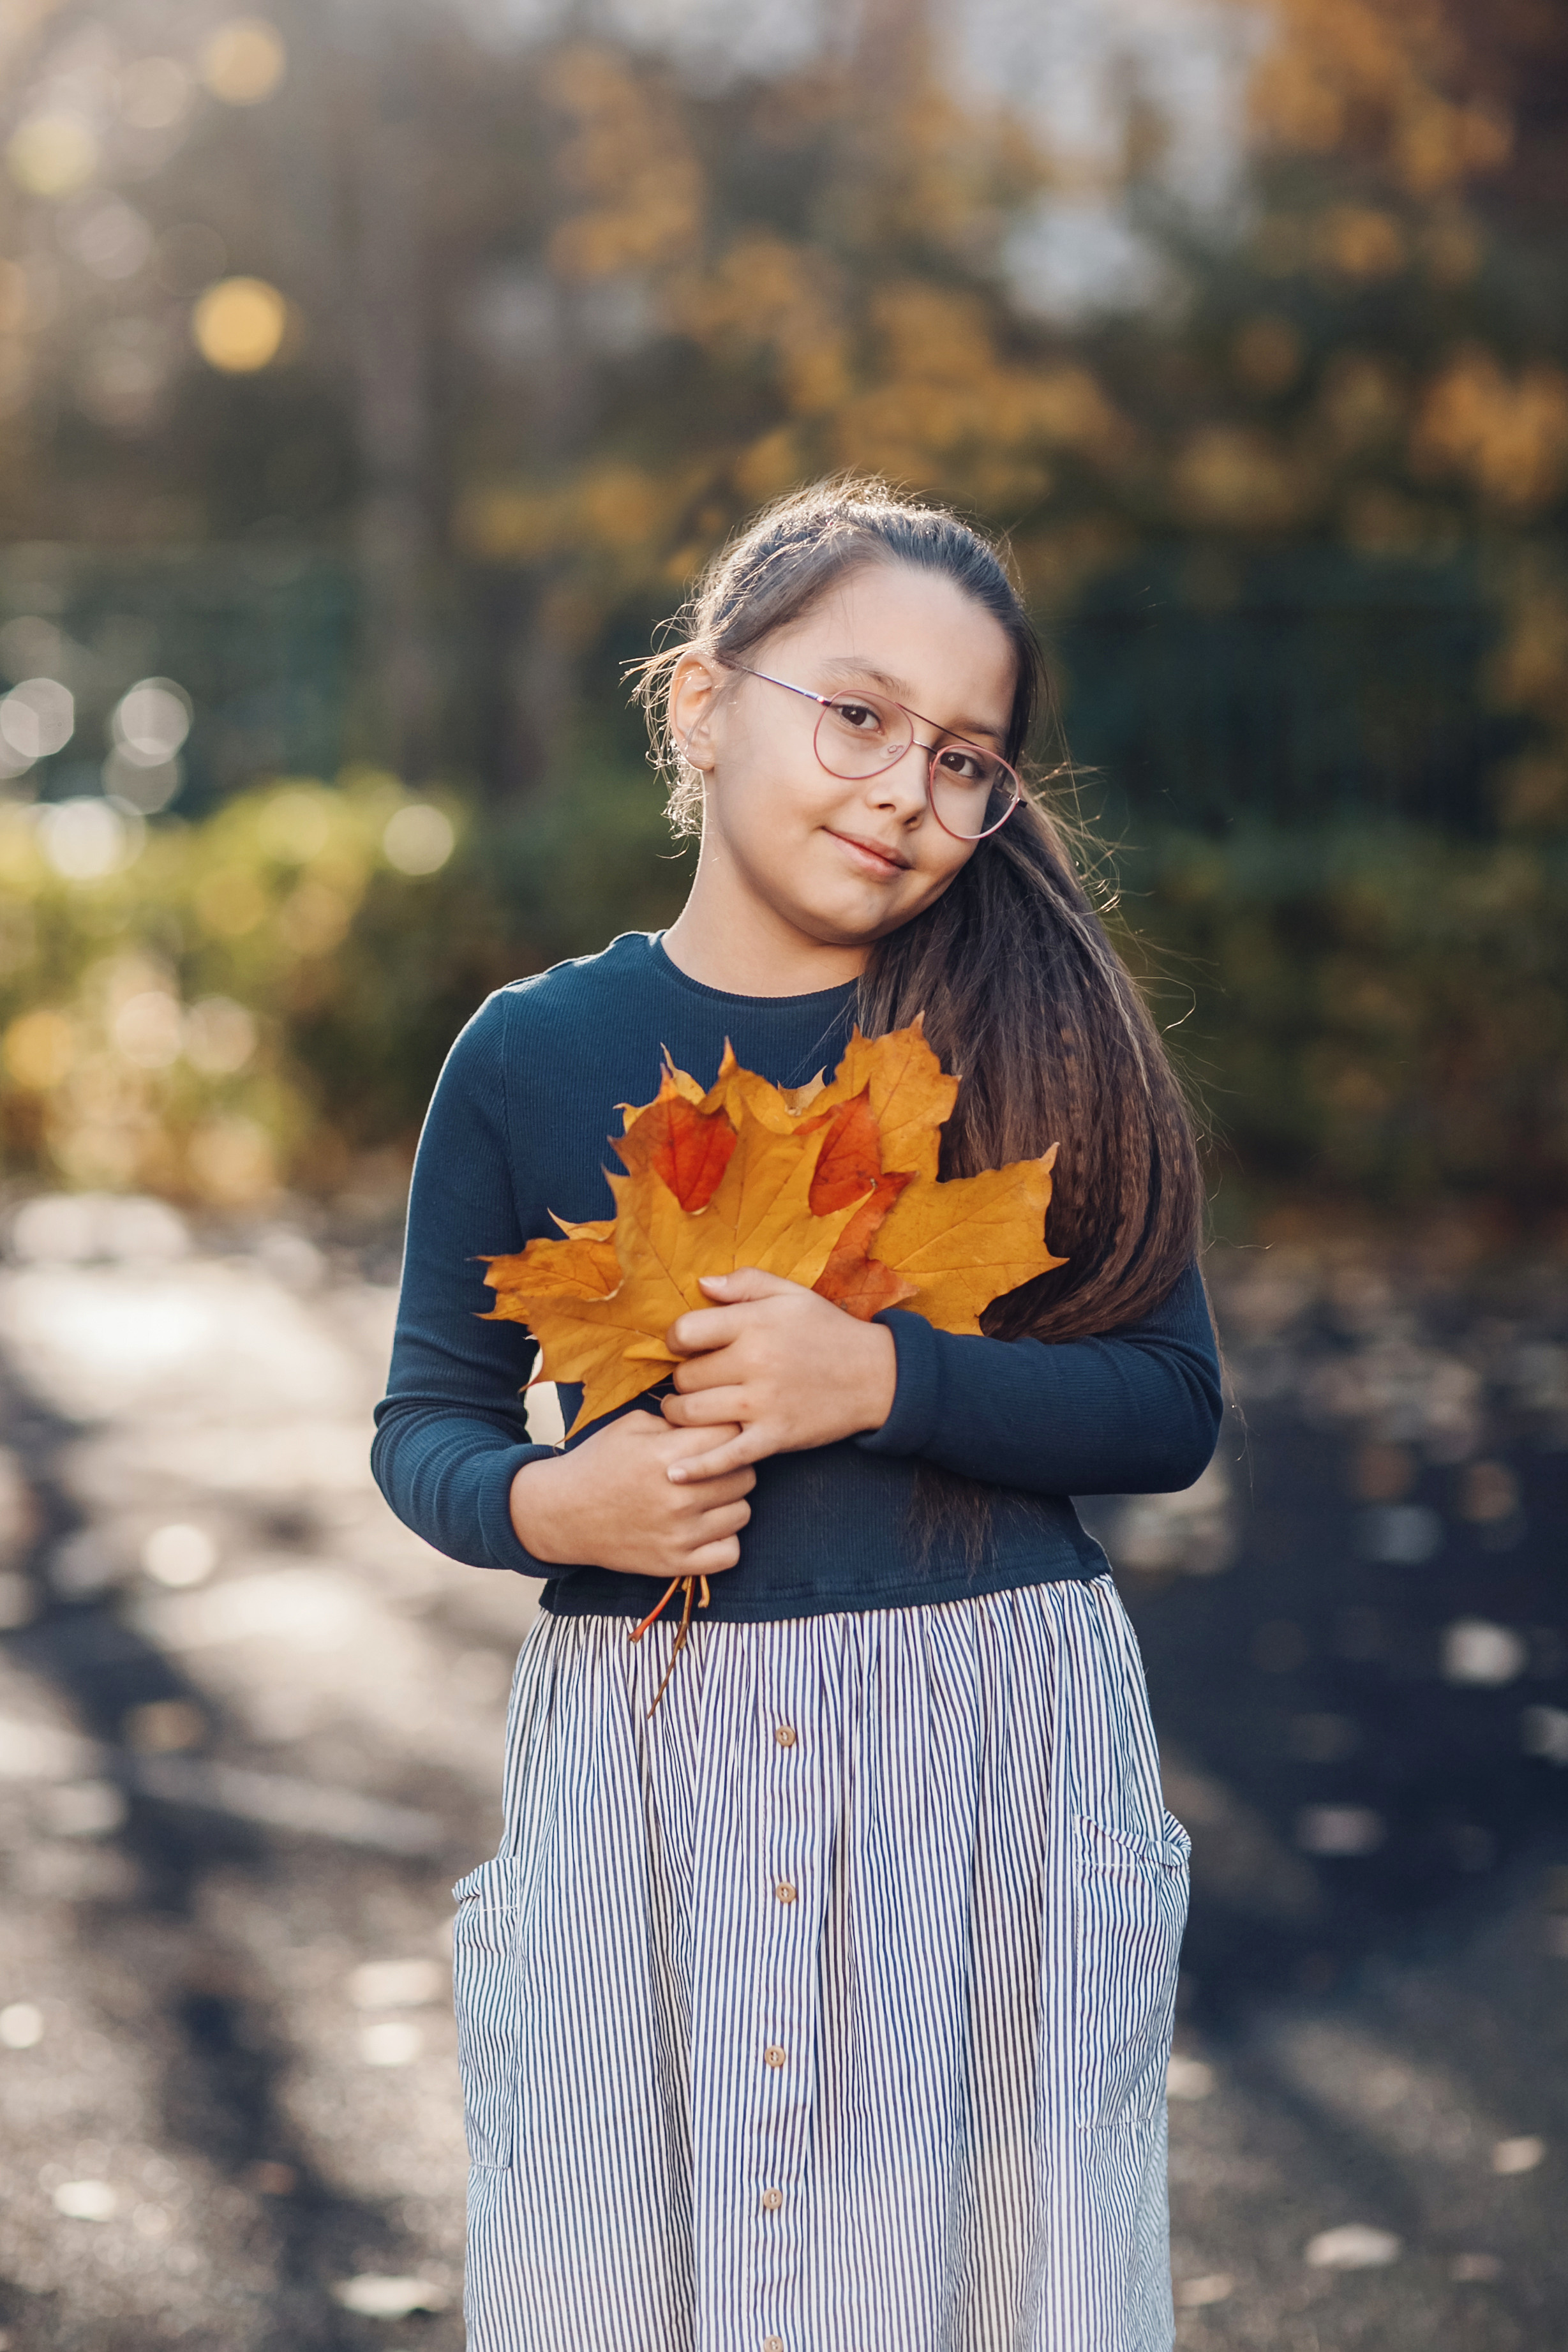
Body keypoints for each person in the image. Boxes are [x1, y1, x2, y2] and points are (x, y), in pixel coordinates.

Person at [372, 477, 1222, 2352]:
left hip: (985, 1747)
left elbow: (1168, 1405)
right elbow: (425, 1421)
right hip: (650, 1756)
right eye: (857, 716)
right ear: (700, 704)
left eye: (963, 758)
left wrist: (887, 1379)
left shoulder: (1026, 1033)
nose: (904, 788)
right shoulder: (529, 1056)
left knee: (975, 2282)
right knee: (626, 2270)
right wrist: (548, 1508)